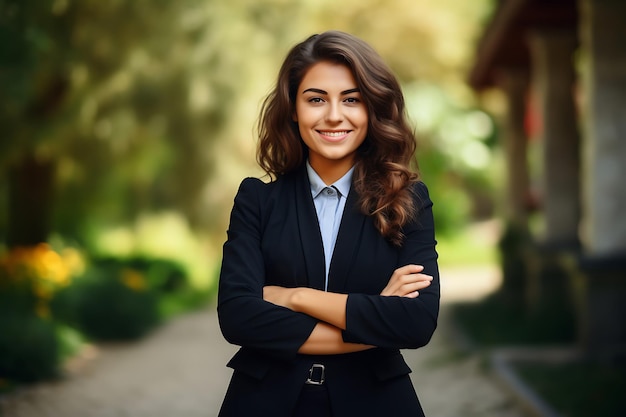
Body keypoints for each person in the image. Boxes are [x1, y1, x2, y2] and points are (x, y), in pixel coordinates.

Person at [217, 30, 440, 417]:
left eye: (351, 99)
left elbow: (415, 323)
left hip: (376, 404)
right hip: (264, 403)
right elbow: (239, 316)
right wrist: (374, 316)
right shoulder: (257, 200)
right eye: (316, 99)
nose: (334, 115)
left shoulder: (408, 201)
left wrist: (294, 297)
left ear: (372, 108)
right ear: (292, 109)